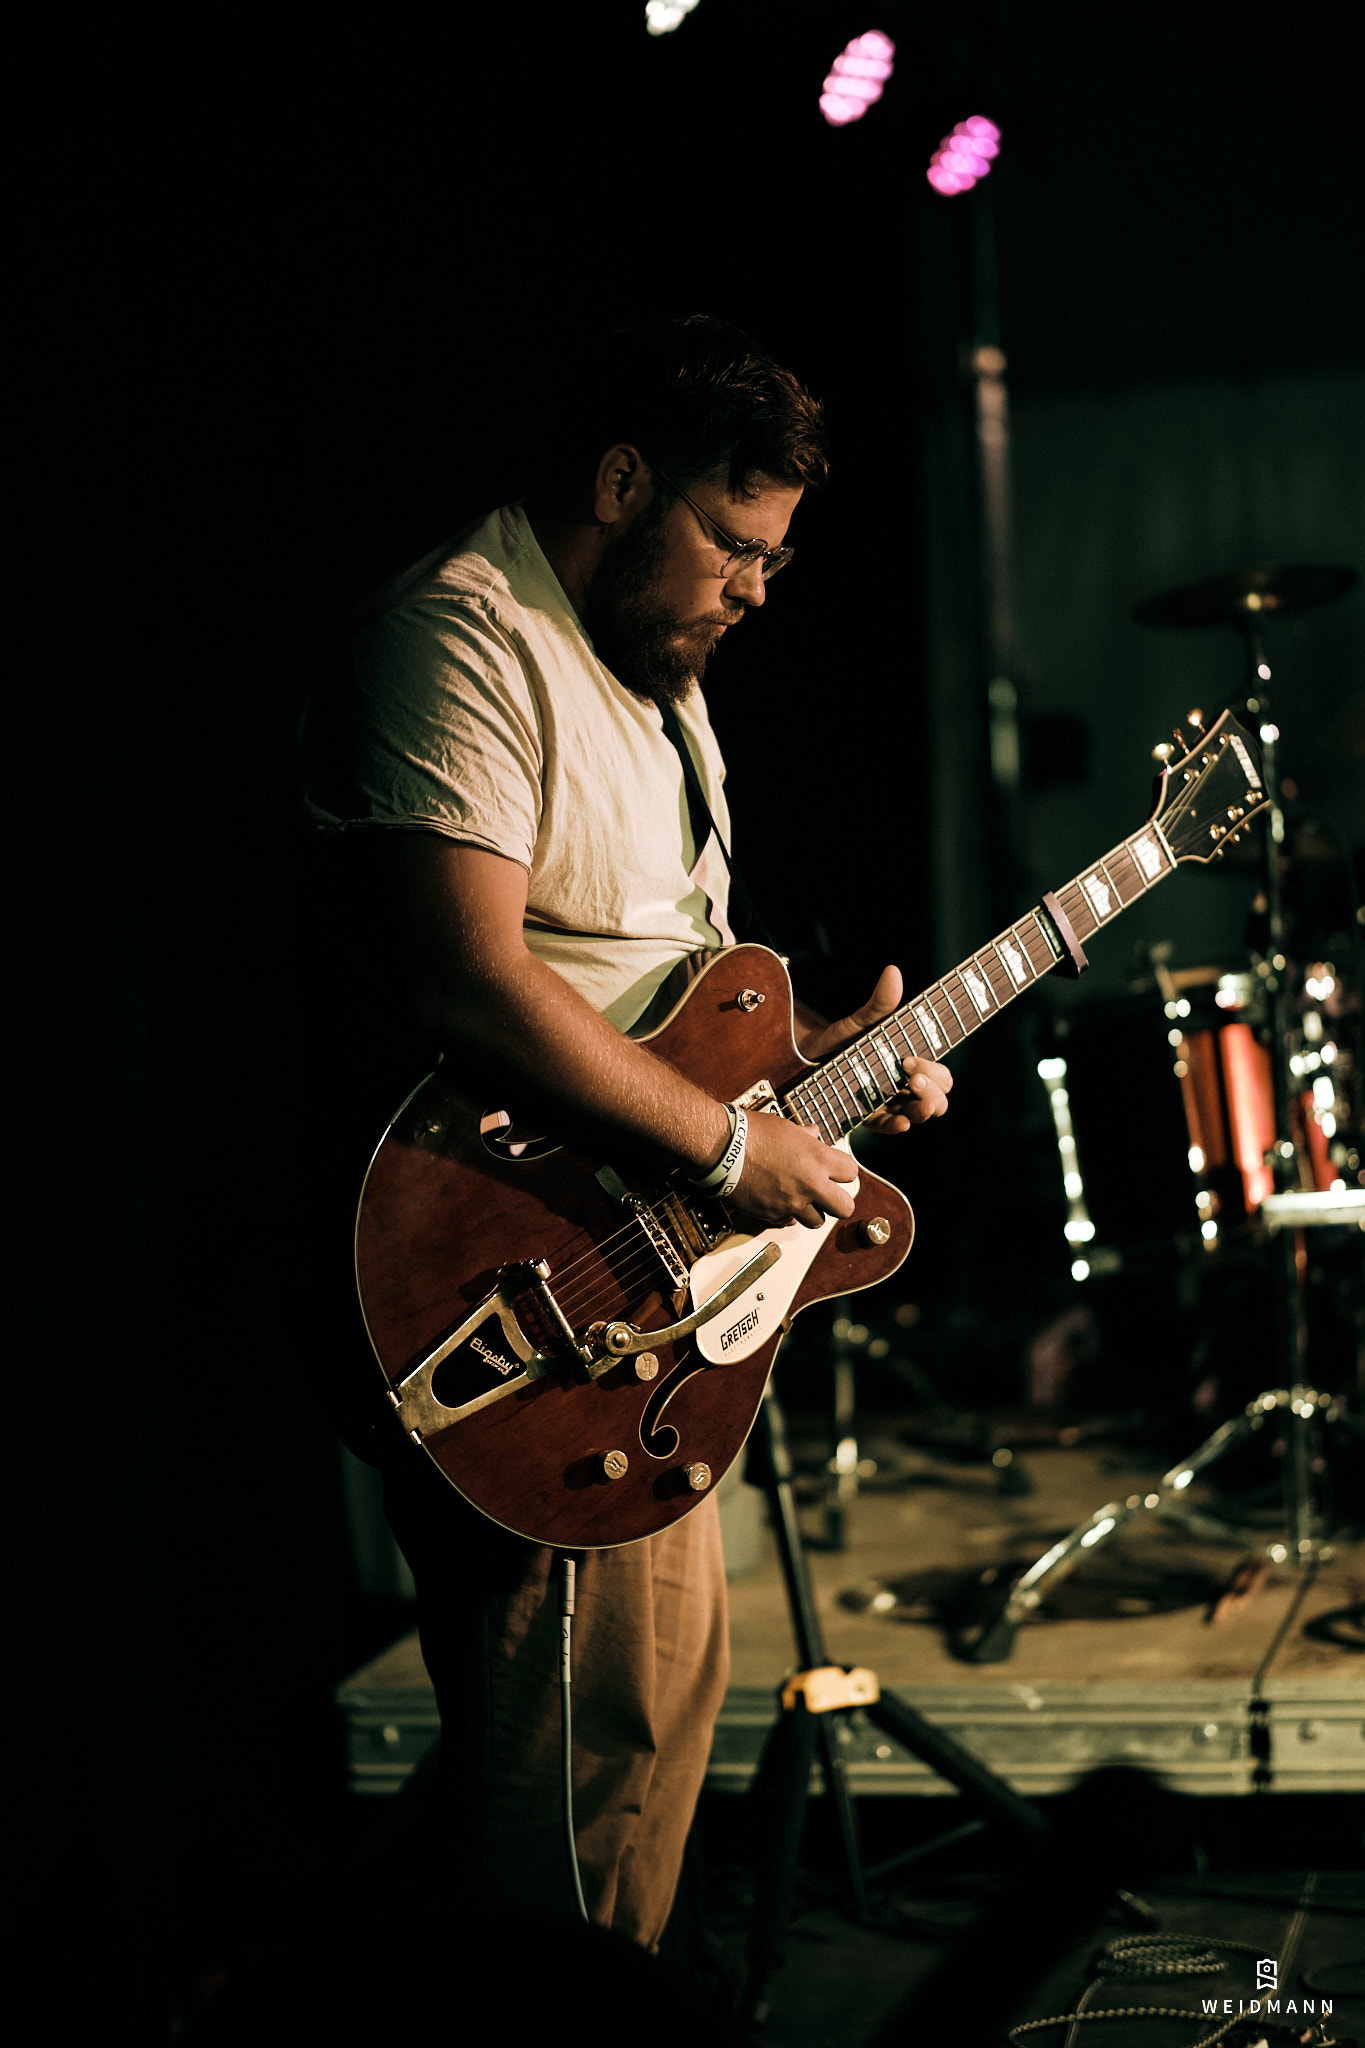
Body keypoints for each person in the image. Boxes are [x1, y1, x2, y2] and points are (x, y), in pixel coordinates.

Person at [295, 314, 952, 1954]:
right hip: (515, 1290)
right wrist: (738, 1157)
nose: (753, 588)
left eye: (774, 560)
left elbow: (649, 996)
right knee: (572, 1779)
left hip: (634, 1301)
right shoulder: (464, 637)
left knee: (634, 1737)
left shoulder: (661, 682)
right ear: (618, 480)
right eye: (732, 543)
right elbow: (471, 977)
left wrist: (810, 1058)